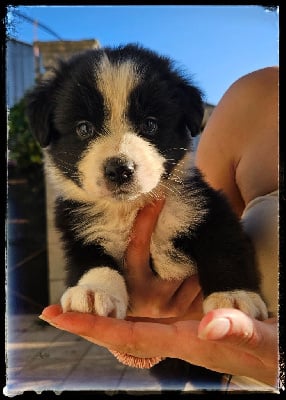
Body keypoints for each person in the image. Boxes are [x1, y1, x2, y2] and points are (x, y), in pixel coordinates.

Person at [40, 66, 279, 389]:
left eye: (149, 125)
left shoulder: (187, 194)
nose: (120, 156)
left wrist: (228, 286)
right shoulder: (254, 96)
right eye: (84, 128)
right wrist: (109, 294)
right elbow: (87, 258)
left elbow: (219, 234)